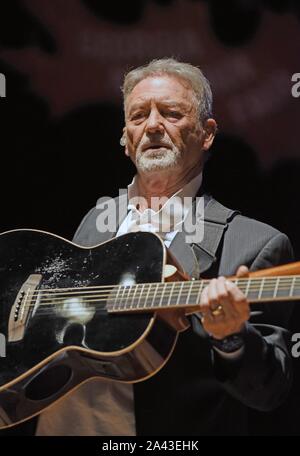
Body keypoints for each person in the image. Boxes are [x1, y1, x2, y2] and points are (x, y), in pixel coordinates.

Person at [36, 58, 294, 436]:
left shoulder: (257, 244)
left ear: (207, 134)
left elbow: (271, 391)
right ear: (126, 139)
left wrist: (232, 339)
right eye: (138, 116)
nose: (153, 125)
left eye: (171, 113)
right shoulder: (95, 220)